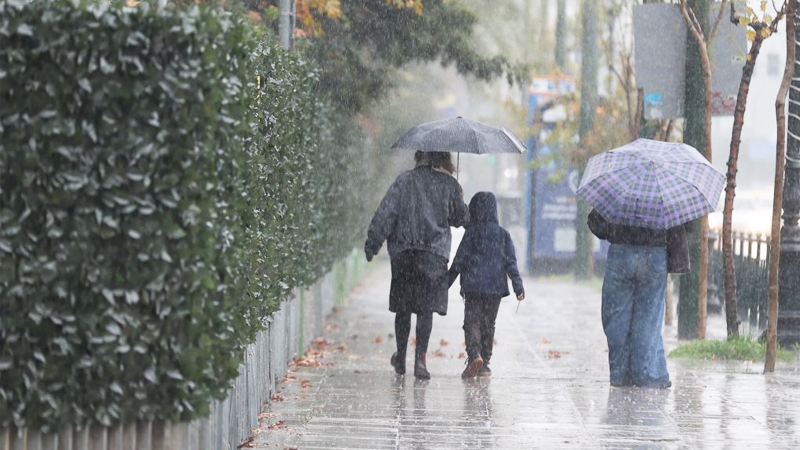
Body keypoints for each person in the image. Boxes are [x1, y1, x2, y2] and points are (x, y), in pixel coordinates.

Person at [364, 151, 469, 380]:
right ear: (444, 159)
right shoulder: (449, 185)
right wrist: (459, 198)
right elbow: (461, 219)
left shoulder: (404, 181)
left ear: (419, 156)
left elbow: (386, 213)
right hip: (433, 256)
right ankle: (420, 360)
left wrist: (373, 244)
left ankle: (401, 355)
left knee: (403, 308)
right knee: (425, 308)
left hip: (404, 253)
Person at [587, 209, 691, 389]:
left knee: (616, 316)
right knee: (648, 318)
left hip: (621, 252)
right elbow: (687, 225)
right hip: (655, 252)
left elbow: (596, 223)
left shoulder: (621, 184)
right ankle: (646, 375)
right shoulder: (665, 189)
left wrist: (616, 229)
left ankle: (620, 374)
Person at [447, 192, 524, 378]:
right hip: (495, 288)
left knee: (472, 322)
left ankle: (474, 355)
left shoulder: (471, 233)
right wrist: (518, 286)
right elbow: (511, 263)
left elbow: (459, 261)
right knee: (489, 324)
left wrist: (444, 284)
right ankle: (485, 364)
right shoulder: (503, 235)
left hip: (473, 286)